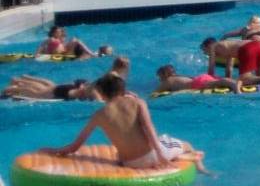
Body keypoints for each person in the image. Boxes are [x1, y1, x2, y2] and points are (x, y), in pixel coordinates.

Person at [38, 73, 209, 173]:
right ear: (124, 89)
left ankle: (177, 156)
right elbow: (149, 129)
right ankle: (203, 169)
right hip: (152, 157)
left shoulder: (99, 114)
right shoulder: (138, 103)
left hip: (129, 163)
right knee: (186, 144)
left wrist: (52, 150)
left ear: (101, 93)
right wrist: (161, 155)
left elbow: (74, 147)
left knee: (125, 152)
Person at [153, 64, 245, 95]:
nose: (159, 79)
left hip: (197, 83)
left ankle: (234, 84)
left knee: (218, 82)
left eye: (159, 76)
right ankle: (235, 82)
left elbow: (156, 92)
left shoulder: (168, 81)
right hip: (200, 78)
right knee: (217, 82)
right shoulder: (177, 77)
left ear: (164, 75)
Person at [37, 25, 107, 59]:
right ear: (53, 33)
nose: (60, 33)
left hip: (64, 52)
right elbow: (42, 45)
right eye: (58, 32)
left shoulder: (58, 39)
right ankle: (92, 54)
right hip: (62, 54)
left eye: (60, 32)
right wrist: (37, 54)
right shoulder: (52, 39)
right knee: (76, 41)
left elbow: (60, 45)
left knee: (74, 40)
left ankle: (93, 54)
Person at [5, 76, 96, 102]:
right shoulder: (79, 92)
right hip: (51, 92)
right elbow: (77, 93)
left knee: (30, 85)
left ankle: (16, 82)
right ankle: (7, 91)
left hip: (55, 88)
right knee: (31, 90)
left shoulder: (82, 86)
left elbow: (80, 83)